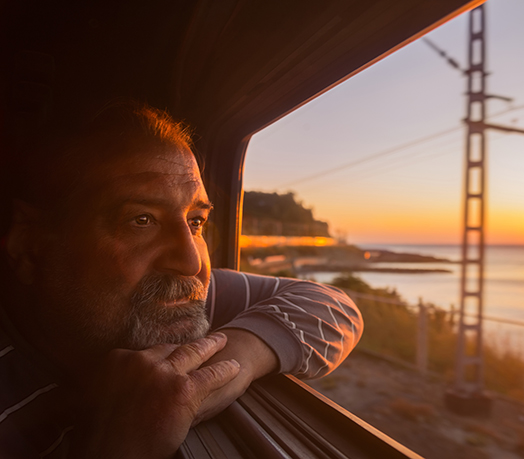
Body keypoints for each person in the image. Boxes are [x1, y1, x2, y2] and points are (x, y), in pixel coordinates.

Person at [0, 102, 363, 458]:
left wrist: (233, 361)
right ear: (31, 246)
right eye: (141, 220)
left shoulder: (170, 301)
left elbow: (333, 306)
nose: (191, 263)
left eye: (196, 222)